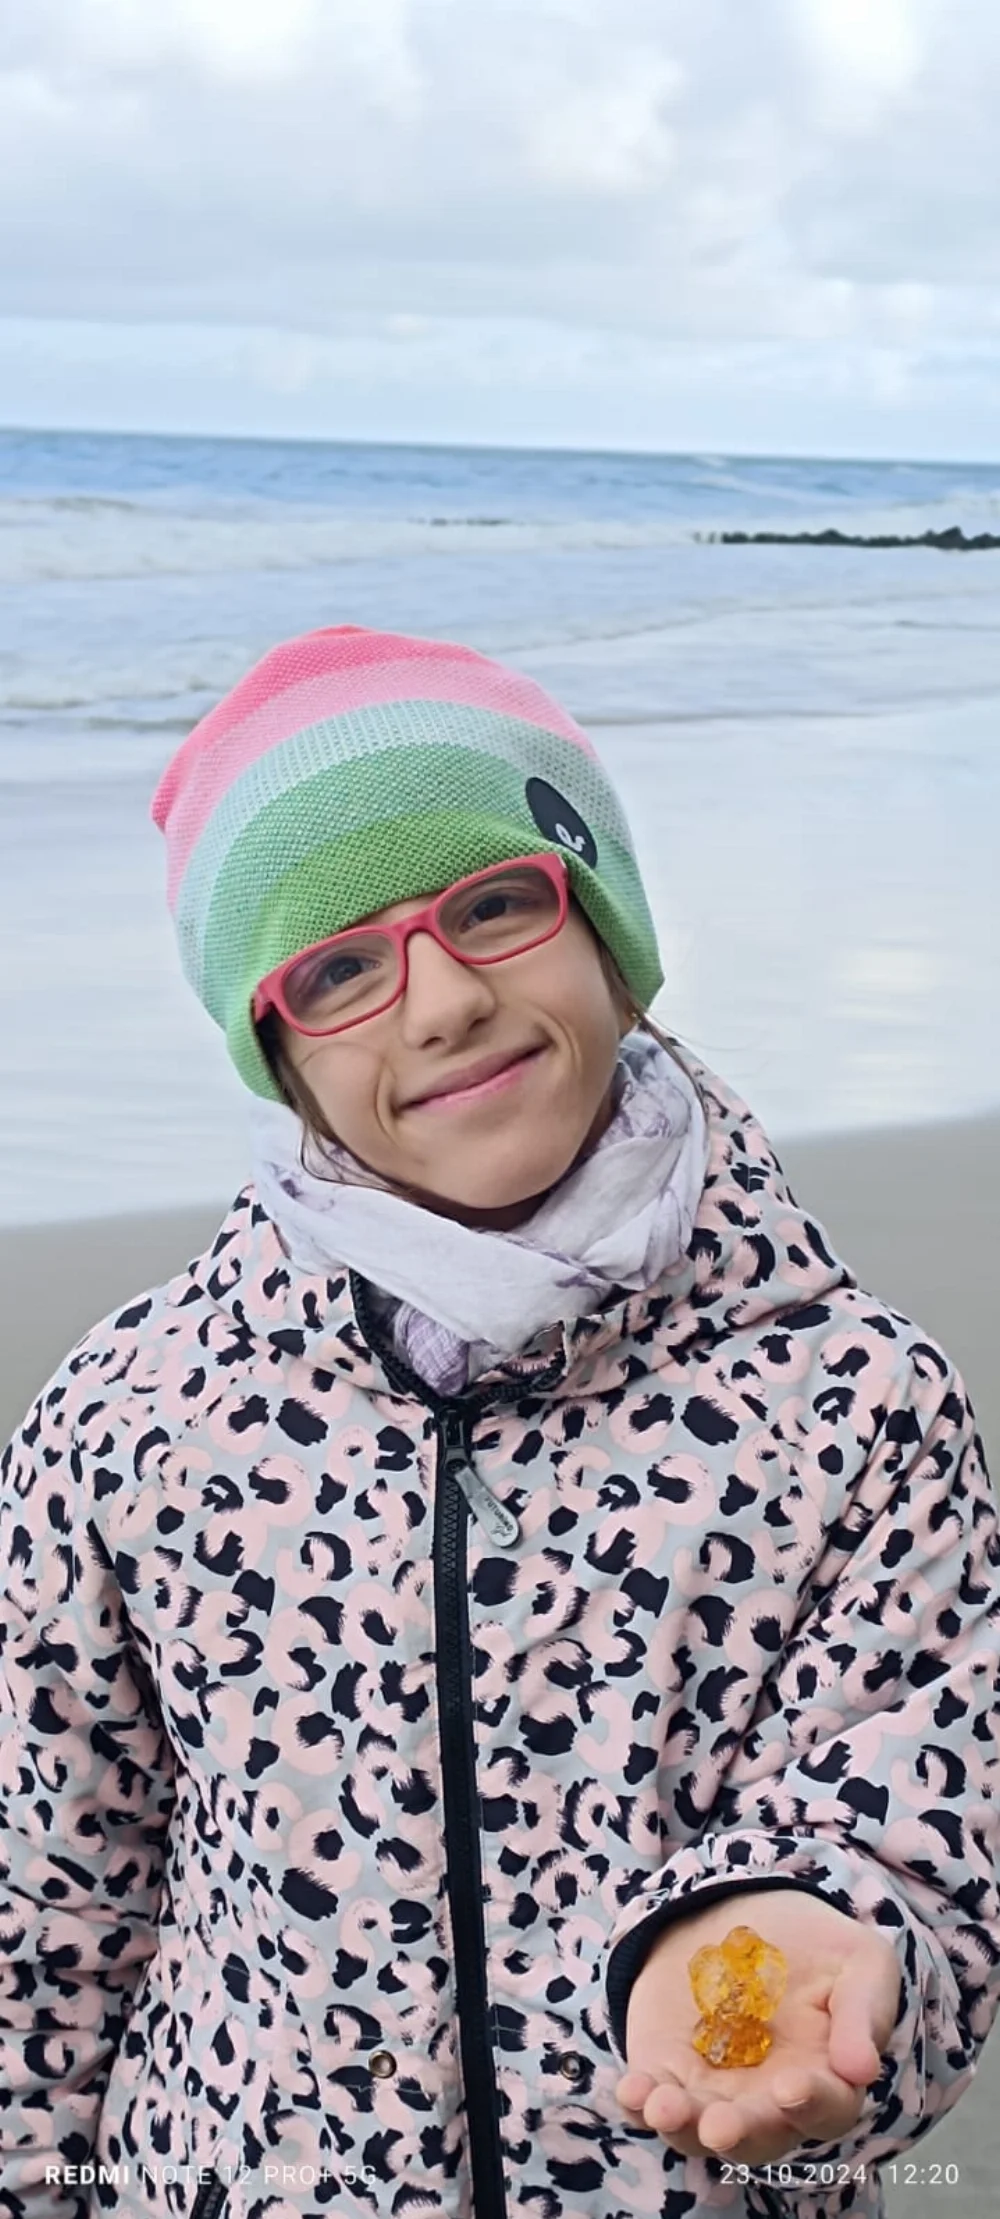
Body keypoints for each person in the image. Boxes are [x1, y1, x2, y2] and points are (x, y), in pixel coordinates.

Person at [0, 624, 997, 2219]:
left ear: (609, 930)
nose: (445, 1001)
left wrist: (817, 1940)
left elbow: (918, 1827)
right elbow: (48, 1910)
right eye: (337, 968)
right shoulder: (133, 1424)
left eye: (494, 905)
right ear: (274, 1051)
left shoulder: (857, 1404)